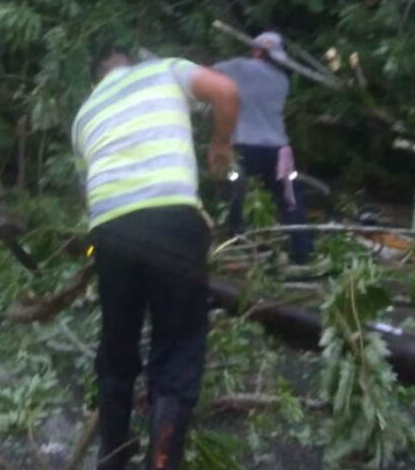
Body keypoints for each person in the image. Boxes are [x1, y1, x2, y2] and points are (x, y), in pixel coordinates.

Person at [73, 47, 240, 470]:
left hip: (109, 230)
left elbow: (87, 189)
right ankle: (161, 461)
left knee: (118, 340)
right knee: (179, 343)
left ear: (97, 80)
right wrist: (220, 144)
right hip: (173, 221)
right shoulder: (164, 71)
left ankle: (112, 454)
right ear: (131, 65)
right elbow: (225, 90)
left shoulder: (84, 115)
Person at [214, 32, 313, 264]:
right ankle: (302, 250)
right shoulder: (282, 79)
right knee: (289, 199)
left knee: (237, 197)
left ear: (257, 50)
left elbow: (204, 74)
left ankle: (239, 246)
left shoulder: (239, 67)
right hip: (279, 149)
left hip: (245, 146)